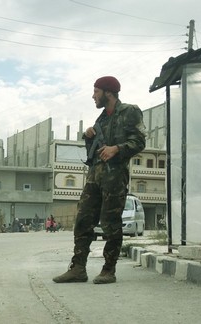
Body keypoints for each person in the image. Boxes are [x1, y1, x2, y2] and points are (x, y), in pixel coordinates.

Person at [53, 76, 146, 284]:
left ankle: (108, 269)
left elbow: (139, 141)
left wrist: (117, 149)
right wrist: (89, 136)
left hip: (115, 176)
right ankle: (78, 268)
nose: (93, 96)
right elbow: (94, 152)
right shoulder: (101, 119)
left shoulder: (130, 111)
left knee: (111, 223)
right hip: (94, 176)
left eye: (96, 91)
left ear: (108, 93)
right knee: (83, 221)